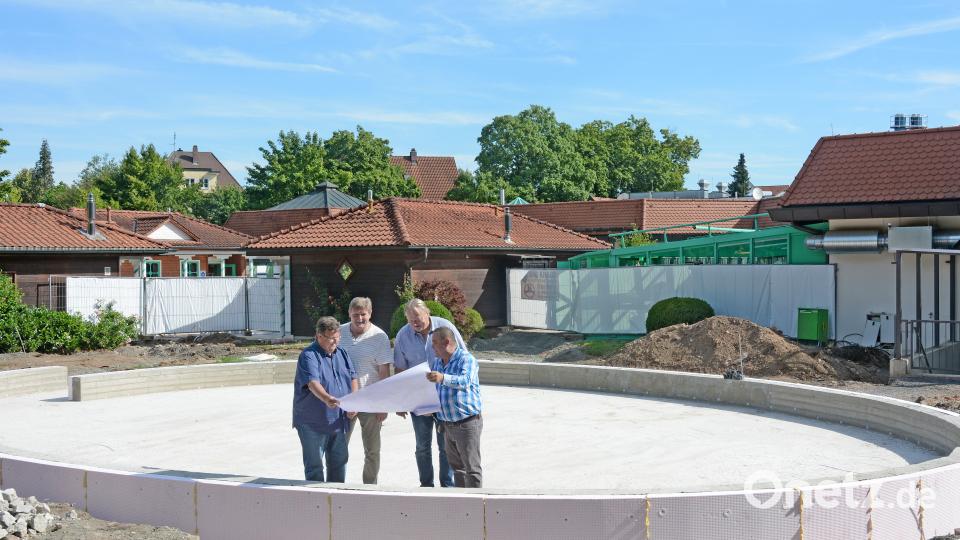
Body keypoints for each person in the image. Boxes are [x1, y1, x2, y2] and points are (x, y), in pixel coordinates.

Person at [393, 298, 466, 488]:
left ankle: (447, 485)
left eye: (417, 317)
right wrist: (402, 402)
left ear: (427, 313)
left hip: (445, 397)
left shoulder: (444, 326)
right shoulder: (403, 335)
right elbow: (400, 369)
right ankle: (426, 485)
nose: (415, 323)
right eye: (410, 320)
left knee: (446, 446)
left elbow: (463, 356)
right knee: (422, 447)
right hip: (419, 399)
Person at [292, 316, 358, 483]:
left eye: (337, 338)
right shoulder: (309, 356)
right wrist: (327, 398)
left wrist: (354, 401)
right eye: (330, 339)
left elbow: (353, 378)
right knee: (314, 467)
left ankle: (337, 501)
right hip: (313, 422)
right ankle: (317, 503)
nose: (334, 342)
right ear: (318, 336)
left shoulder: (342, 353)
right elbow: (313, 383)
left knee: (339, 464)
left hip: (339, 421)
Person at [339, 297, 392, 485]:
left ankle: (369, 486)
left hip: (371, 401)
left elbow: (384, 372)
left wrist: (383, 404)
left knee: (372, 450)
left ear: (370, 313)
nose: (360, 318)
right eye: (356, 314)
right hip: (344, 400)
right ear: (349, 314)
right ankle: (336, 484)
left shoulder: (380, 337)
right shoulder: (339, 332)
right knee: (339, 447)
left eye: (363, 314)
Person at [427, 326, 483, 488]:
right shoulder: (438, 362)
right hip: (447, 425)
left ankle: (475, 506)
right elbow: (435, 388)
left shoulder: (467, 359)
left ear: (447, 342)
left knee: (471, 468)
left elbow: (465, 381)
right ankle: (462, 503)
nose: (432, 347)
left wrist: (443, 378)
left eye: (435, 343)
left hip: (466, 423)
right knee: (457, 469)